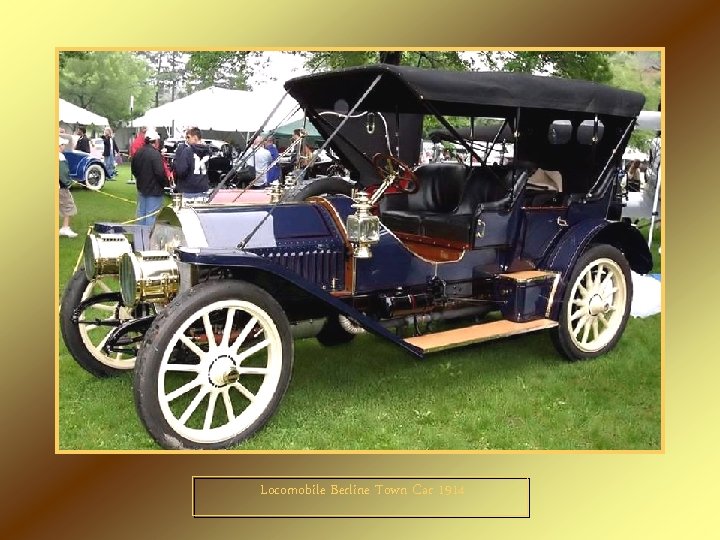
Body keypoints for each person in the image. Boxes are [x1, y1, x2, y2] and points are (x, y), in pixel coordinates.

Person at [131, 129, 168, 227]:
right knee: (151, 216)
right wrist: (165, 183)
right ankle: (149, 240)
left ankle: (140, 239)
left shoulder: (138, 152)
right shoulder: (155, 154)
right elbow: (160, 173)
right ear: (156, 142)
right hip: (154, 191)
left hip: (141, 188)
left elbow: (134, 170)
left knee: (141, 215)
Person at [173, 127, 210, 199]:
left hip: (188, 189)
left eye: (188, 137)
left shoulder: (188, 151)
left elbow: (181, 171)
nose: (187, 140)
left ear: (195, 137)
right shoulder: (207, 151)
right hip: (203, 188)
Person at [59, 137, 78, 238]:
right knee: (68, 205)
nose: (64, 147)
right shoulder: (60, 157)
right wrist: (68, 182)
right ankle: (65, 228)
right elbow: (63, 172)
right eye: (62, 145)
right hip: (60, 187)